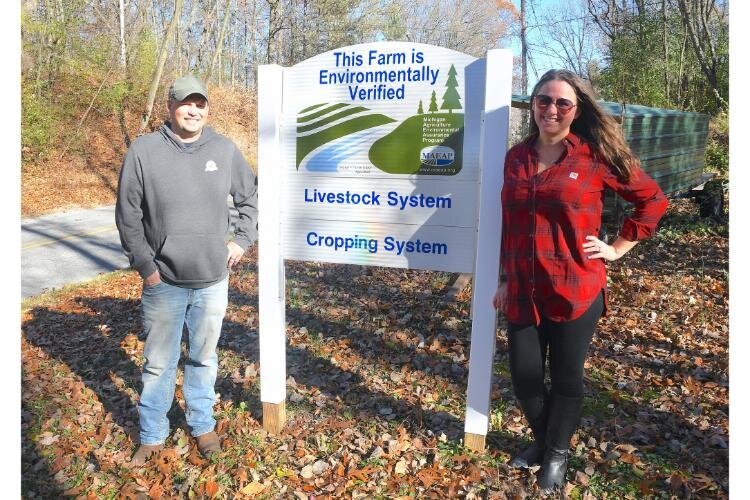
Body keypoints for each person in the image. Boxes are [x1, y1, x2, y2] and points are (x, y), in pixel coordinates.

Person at [493, 69, 667, 493]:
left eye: (562, 103)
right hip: (522, 286)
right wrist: (501, 277)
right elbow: (509, 223)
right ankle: (543, 439)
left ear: (576, 110)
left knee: (566, 377)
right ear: (532, 105)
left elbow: (652, 200)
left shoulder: (595, 158)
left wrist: (617, 248)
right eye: (543, 100)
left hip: (575, 287)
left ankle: (556, 453)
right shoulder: (516, 157)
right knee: (525, 377)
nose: (551, 109)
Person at [116, 75, 258, 466]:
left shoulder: (225, 150)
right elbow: (128, 215)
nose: (193, 110)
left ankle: (202, 424)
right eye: (185, 103)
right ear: (170, 106)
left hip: (213, 279)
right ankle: (152, 434)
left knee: (203, 357)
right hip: (163, 281)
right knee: (158, 363)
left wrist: (242, 241)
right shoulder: (144, 151)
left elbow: (251, 198)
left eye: (200, 104)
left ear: (207, 109)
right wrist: (146, 266)